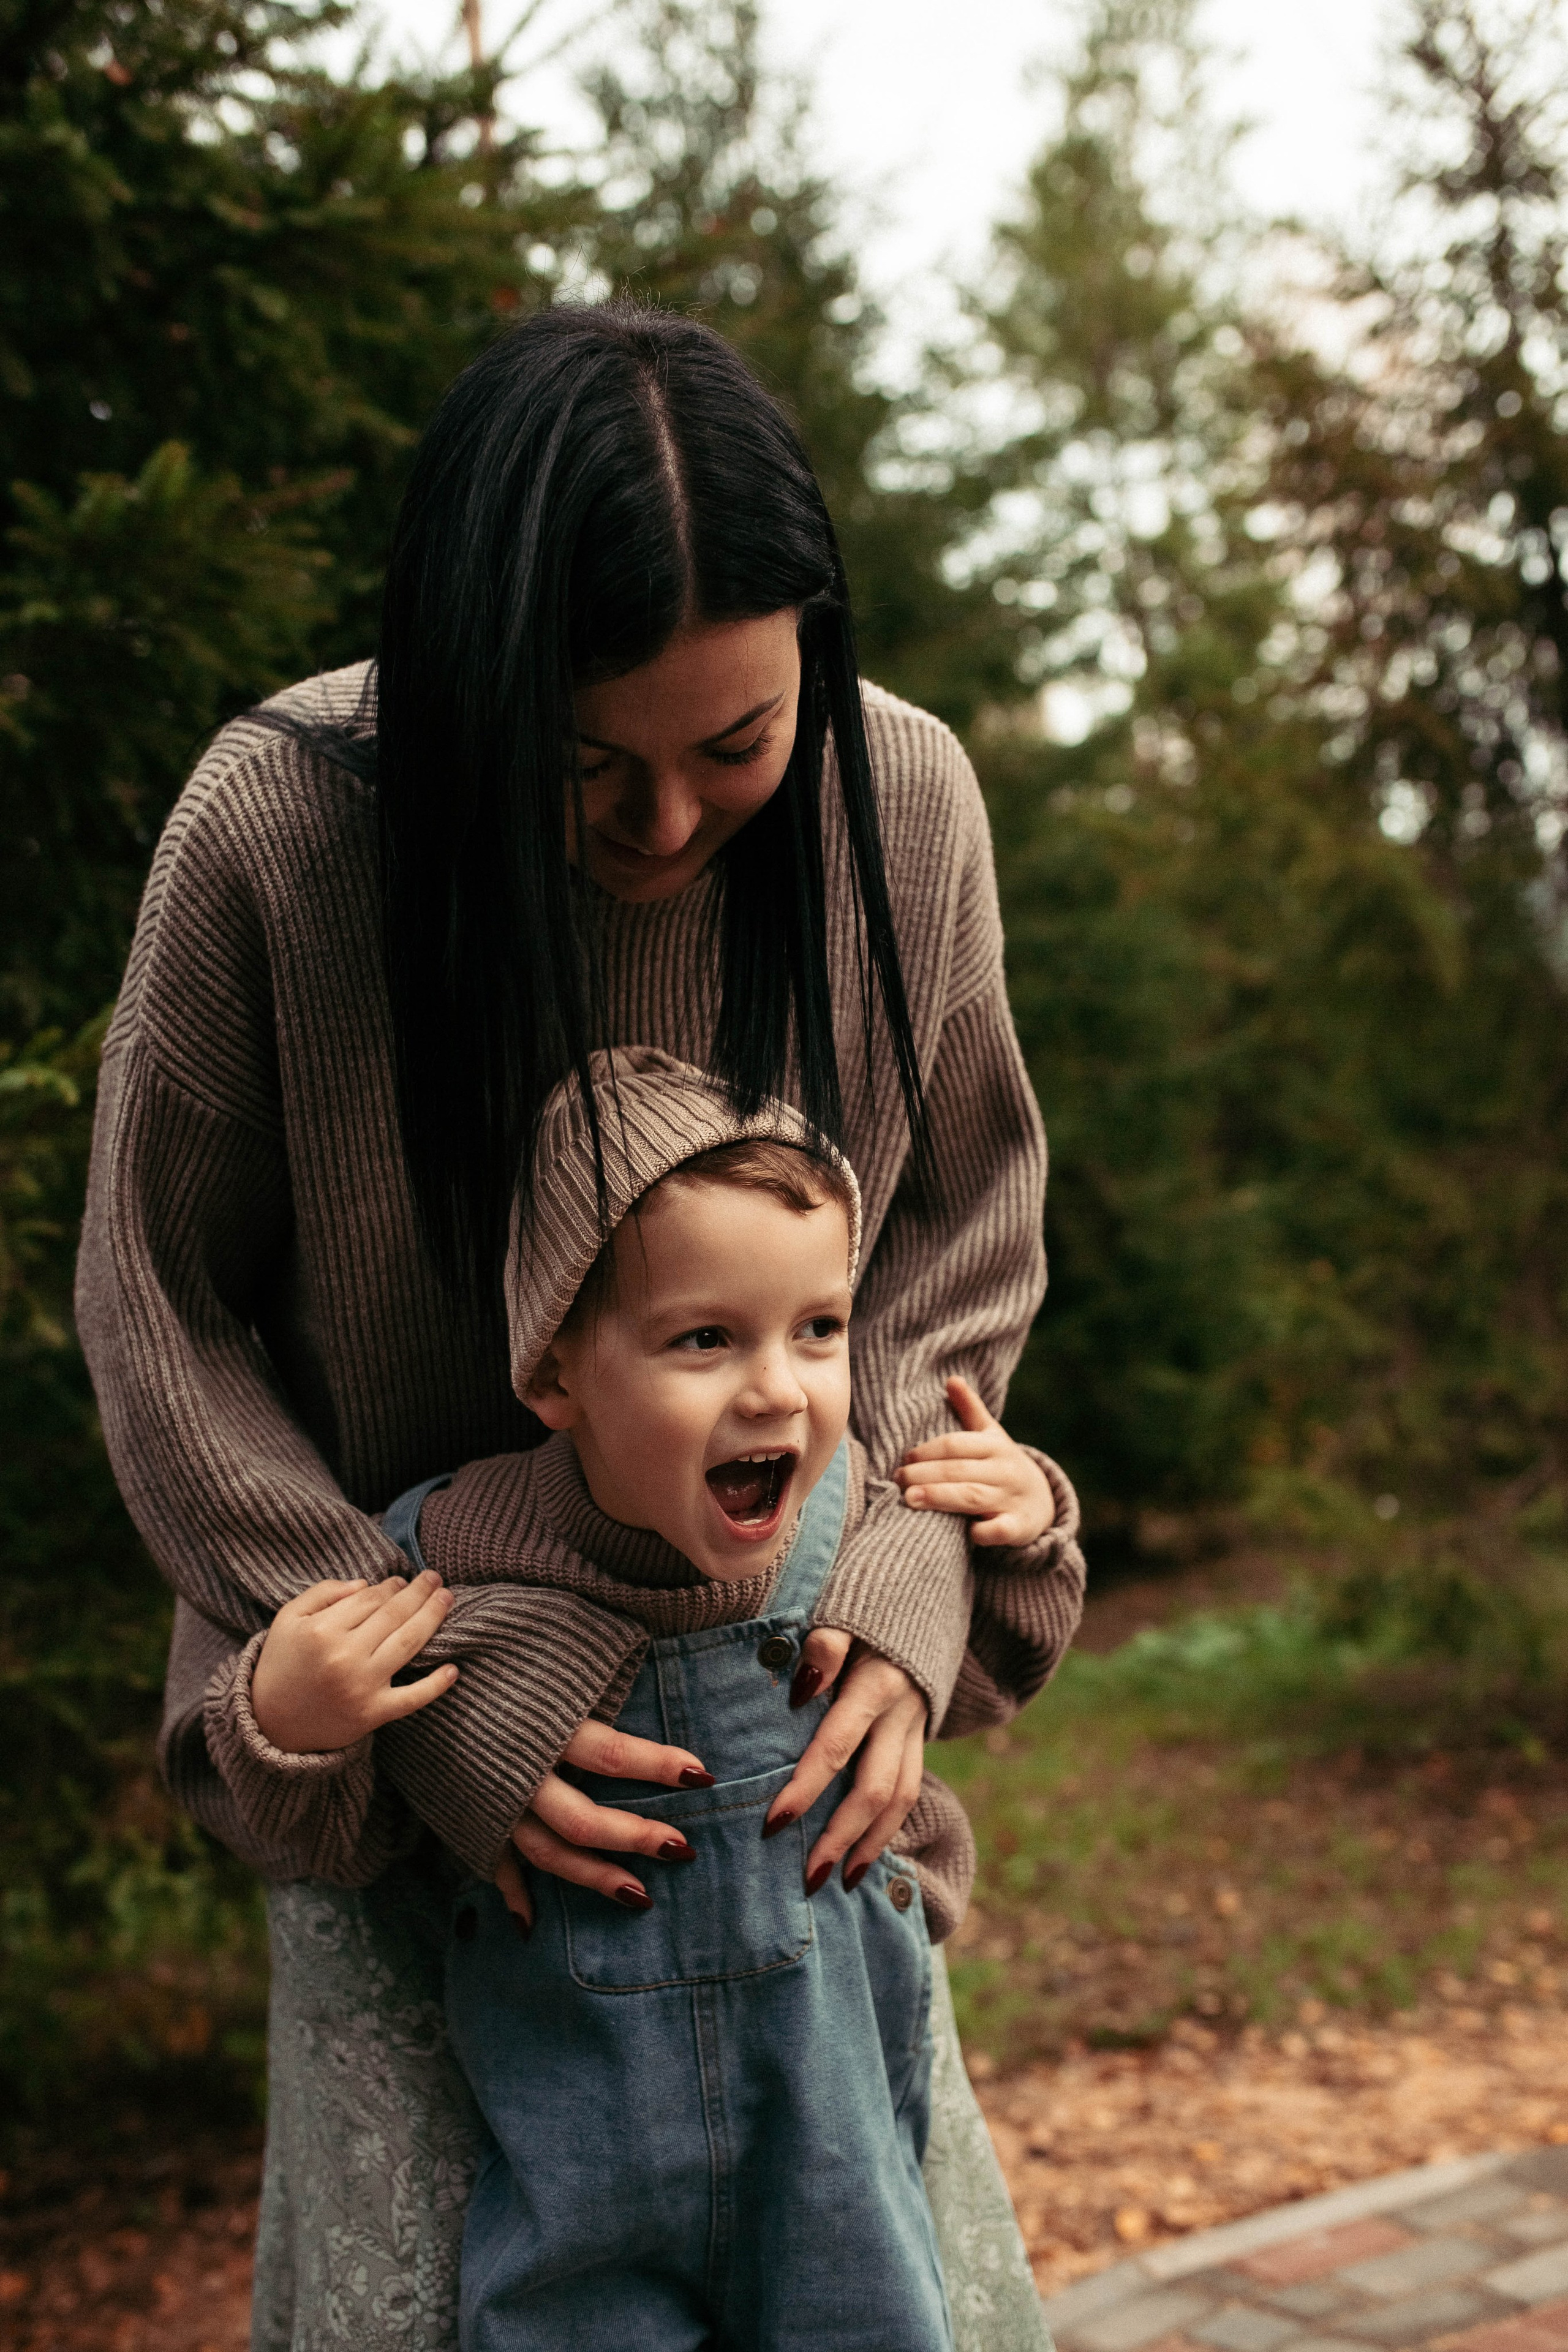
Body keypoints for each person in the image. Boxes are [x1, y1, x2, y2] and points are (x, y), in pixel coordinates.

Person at [77, 301, 1078, 2351]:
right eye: (580, 763)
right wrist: (426, 1688)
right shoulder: (277, 831)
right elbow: (163, 1305)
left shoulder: (902, 803)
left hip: (784, 1737)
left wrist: (903, 1574)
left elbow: (961, 1227)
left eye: (736, 747)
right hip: (422, 1798)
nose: (661, 829)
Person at [203, 1052, 1084, 2349]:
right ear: (556, 1375)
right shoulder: (451, 1553)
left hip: (833, 2160)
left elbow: (995, 1672)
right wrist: (292, 1715)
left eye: (818, 1328)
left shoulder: (855, 1535)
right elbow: (341, 1834)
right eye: (703, 1338)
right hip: (578, 2195)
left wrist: (1026, 1530)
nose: (776, 1387)